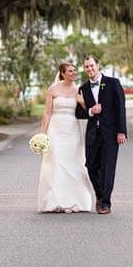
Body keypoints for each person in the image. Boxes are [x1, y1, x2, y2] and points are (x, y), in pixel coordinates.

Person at [37, 61, 96, 213]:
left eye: (74, 71)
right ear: (62, 73)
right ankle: (56, 201)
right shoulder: (53, 90)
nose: (74, 73)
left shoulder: (79, 90)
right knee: (56, 162)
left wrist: (82, 102)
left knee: (73, 162)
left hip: (72, 129)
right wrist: (42, 133)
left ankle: (75, 200)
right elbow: (47, 113)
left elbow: (87, 109)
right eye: (70, 71)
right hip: (55, 129)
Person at [76, 55, 127, 215]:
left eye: (92, 65)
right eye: (86, 67)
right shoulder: (82, 88)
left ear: (98, 66)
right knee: (91, 166)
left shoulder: (113, 83)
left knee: (107, 168)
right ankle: (99, 195)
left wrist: (121, 131)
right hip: (92, 134)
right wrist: (91, 111)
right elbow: (79, 113)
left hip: (111, 134)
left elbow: (121, 109)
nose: (89, 69)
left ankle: (105, 203)